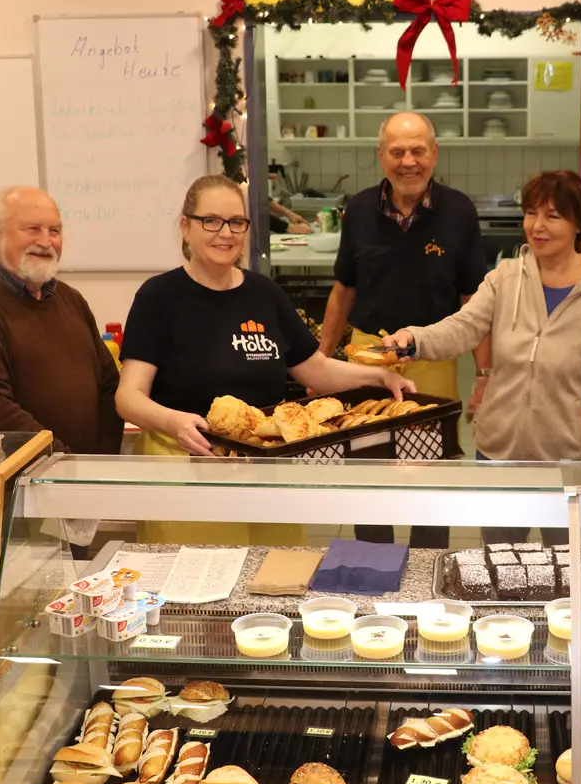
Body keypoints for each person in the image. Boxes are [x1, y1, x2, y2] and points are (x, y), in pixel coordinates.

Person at [116, 174, 415, 544]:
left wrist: (379, 379)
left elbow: (316, 370)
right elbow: (128, 397)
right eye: (210, 220)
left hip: (264, 470)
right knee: (197, 595)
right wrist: (173, 421)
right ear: (185, 226)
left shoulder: (263, 294)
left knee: (274, 582)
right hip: (188, 471)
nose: (225, 233)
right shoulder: (159, 297)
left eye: (236, 222)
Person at [383, 170, 581, 547]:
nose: (538, 226)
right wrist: (414, 338)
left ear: (579, 225)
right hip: (498, 454)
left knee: (567, 576)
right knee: (499, 566)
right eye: (532, 213)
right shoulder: (505, 277)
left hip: (569, 461)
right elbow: (463, 326)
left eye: (553, 216)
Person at [318, 112, 492, 548]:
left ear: (434, 154)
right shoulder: (358, 209)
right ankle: (371, 564)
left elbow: (474, 303)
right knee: (367, 473)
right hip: (365, 360)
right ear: (381, 157)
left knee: (431, 480)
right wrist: (320, 362)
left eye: (418, 150)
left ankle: (427, 571)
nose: (408, 161)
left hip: (432, 361)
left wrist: (485, 378)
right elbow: (344, 291)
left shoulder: (459, 212)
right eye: (397, 151)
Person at [0, 186, 122, 557]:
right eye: (32, 229)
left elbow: (107, 387)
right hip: (5, 507)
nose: (46, 241)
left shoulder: (70, 300)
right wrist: (63, 466)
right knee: (11, 612)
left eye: (55, 230)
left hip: (66, 498)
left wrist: (92, 470)